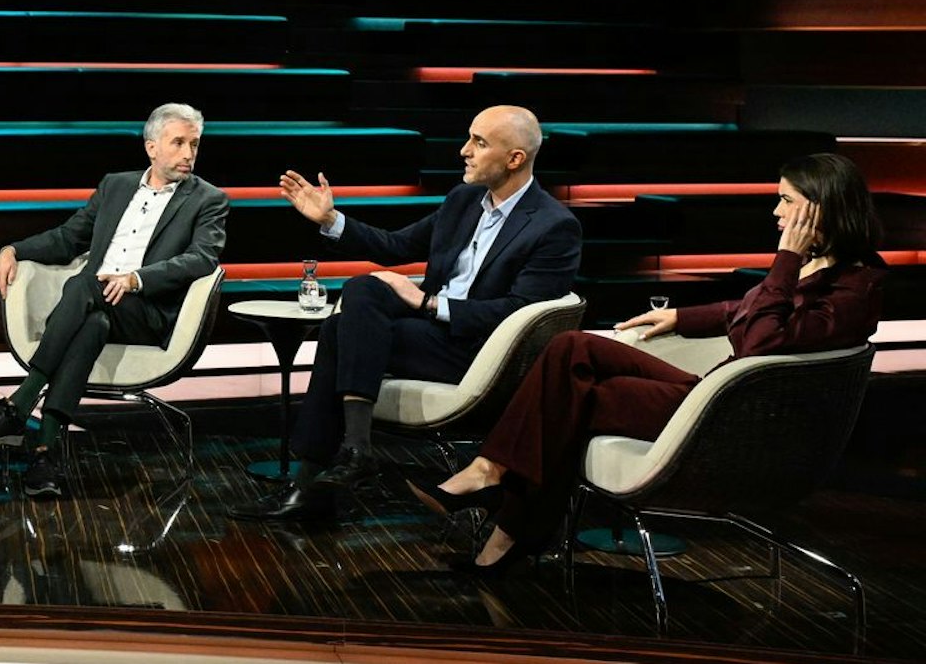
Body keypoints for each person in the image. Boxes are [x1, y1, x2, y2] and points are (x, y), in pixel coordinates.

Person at [411, 152, 885, 574]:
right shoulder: (816, 265)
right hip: (713, 390)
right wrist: (680, 317)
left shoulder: (853, 291)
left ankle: (504, 518)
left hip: (731, 414)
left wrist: (786, 259)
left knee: (573, 400)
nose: (776, 213)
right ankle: (495, 484)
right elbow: (746, 309)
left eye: (786, 201)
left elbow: (761, 341)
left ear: (819, 209)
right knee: (572, 347)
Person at [241, 104, 582, 522]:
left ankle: (316, 482)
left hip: (480, 352)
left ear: (515, 158)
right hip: (431, 333)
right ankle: (353, 452)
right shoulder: (463, 200)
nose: (464, 151)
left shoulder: (553, 225)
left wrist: (428, 303)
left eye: (479, 143)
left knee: (338, 331)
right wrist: (331, 219)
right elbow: (398, 246)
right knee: (363, 289)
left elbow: (522, 313)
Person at [0, 103, 229, 499]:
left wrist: (137, 280)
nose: (188, 153)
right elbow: (68, 238)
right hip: (96, 309)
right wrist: (14, 249)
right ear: (151, 147)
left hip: (147, 311)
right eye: (178, 143)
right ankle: (45, 455)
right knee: (92, 320)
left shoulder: (208, 199)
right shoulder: (116, 186)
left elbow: (202, 258)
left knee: (83, 286)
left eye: (194, 144)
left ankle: (20, 403)